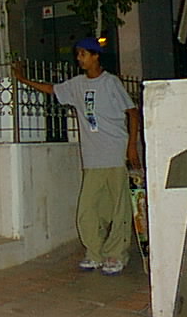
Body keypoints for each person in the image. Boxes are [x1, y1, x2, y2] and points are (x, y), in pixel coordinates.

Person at [12, 37, 140, 276]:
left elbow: (132, 112)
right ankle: (94, 253)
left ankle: (116, 254)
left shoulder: (110, 82)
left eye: (83, 54)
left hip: (114, 153)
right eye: (78, 54)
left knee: (118, 208)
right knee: (87, 208)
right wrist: (23, 79)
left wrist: (132, 146)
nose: (79, 59)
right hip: (92, 157)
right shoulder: (77, 84)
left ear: (95, 55)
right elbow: (52, 89)